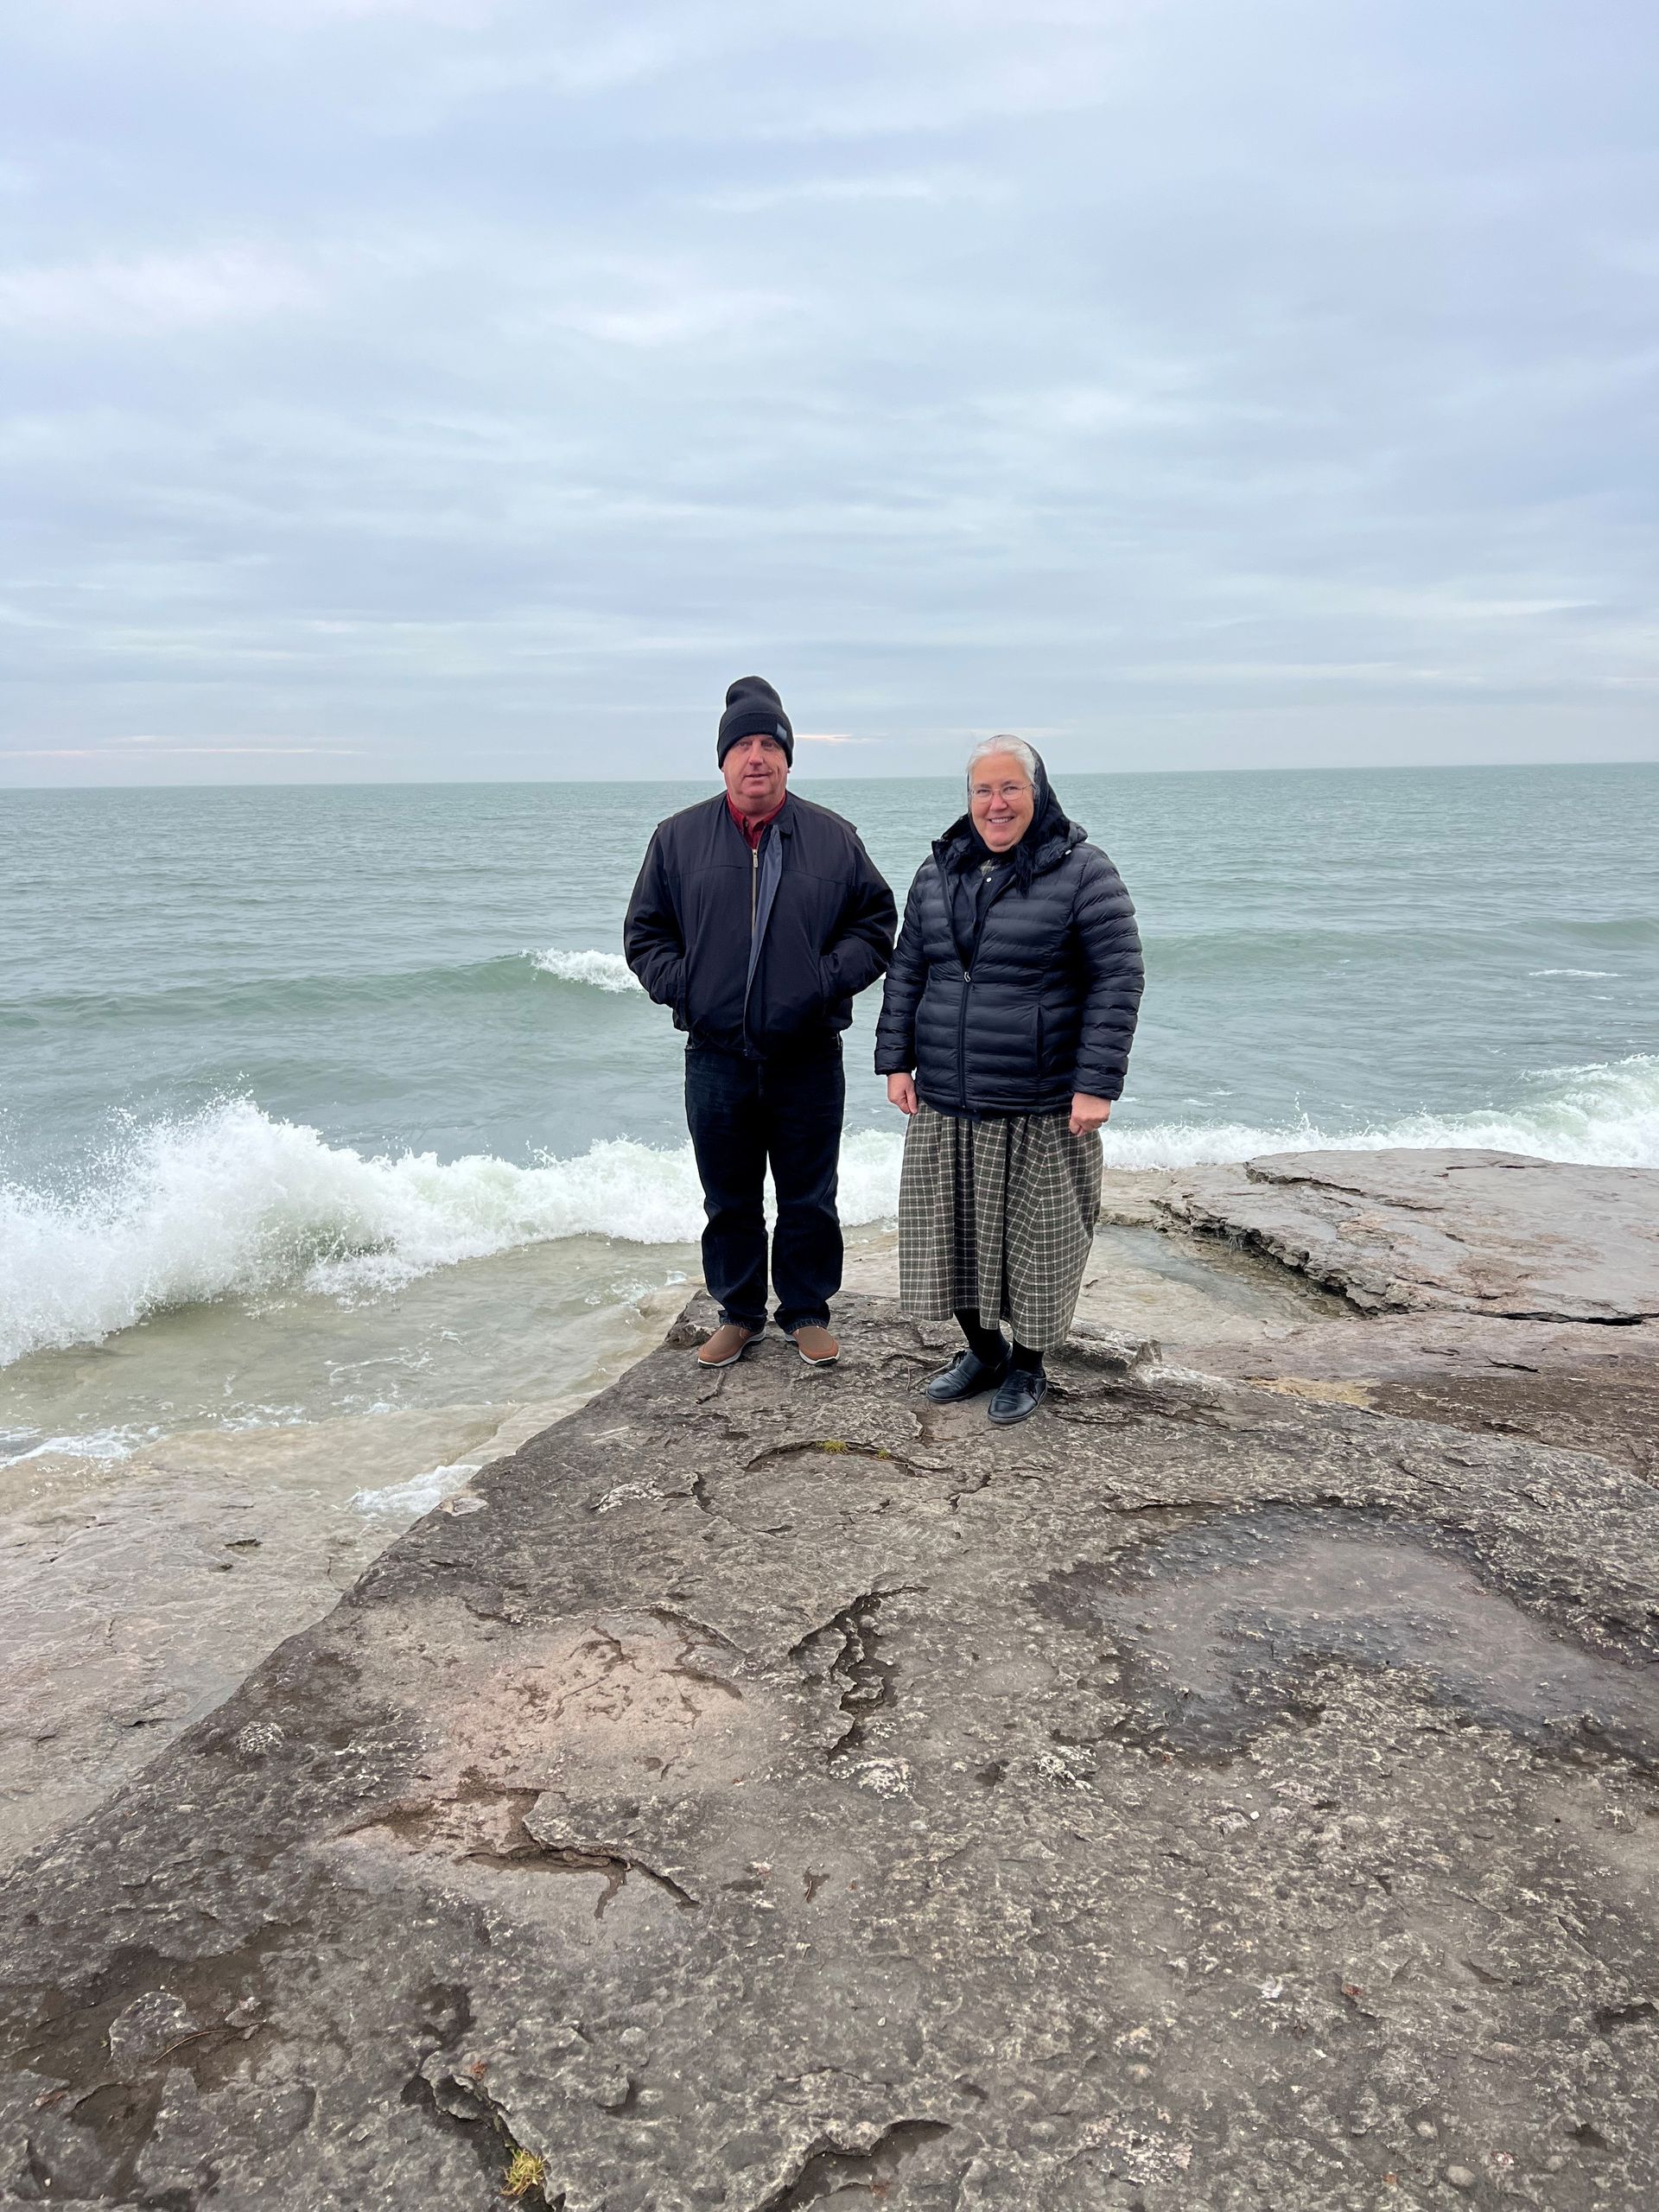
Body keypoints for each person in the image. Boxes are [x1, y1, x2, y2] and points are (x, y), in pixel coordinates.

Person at [625, 677, 897, 1370]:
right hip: (715, 1055)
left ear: (787, 759)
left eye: (769, 744)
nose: (757, 757)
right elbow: (645, 934)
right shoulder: (677, 839)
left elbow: (874, 925)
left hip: (808, 1053)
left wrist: (821, 982)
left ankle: (805, 1310)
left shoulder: (835, 839)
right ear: (722, 761)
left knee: (810, 1195)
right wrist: (687, 989)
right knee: (729, 1196)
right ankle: (740, 1313)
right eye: (743, 744)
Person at [874, 737, 1143, 1423]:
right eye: (982, 791)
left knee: (1039, 1248)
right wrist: (895, 1060)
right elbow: (910, 968)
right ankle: (983, 1350)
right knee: (949, 1239)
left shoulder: (1084, 871)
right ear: (968, 800)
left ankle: (1029, 1367)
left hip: (1041, 1100)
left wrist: (1096, 1084)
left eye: (1010, 789)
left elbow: (1118, 977)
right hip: (947, 1095)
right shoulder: (938, 873)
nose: (995, 804)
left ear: (1038, 792)